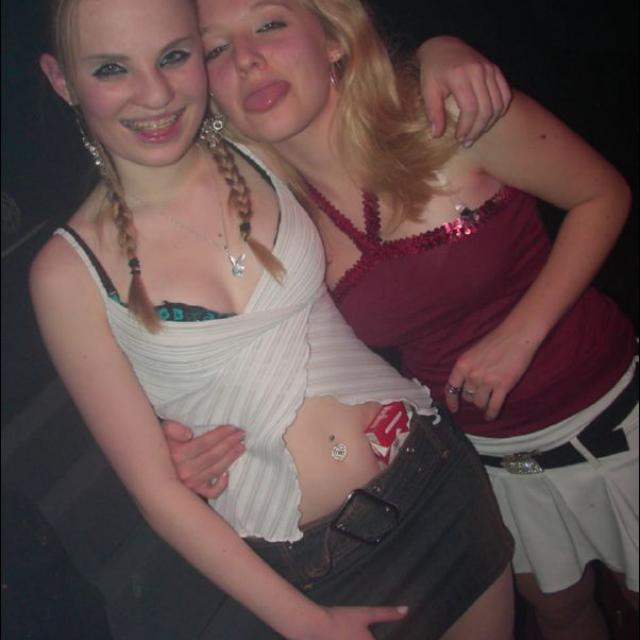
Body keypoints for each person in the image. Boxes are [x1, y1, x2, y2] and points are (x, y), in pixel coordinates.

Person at [31, 0, 516, 638]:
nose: (155, 94)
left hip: (436, 472)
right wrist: (305, 623)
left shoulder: (260, 148)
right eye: (111, 69)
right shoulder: (67, 273)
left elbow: (356, 86)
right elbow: (157, 494)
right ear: (62, 80)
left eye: (174, 56)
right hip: (320, 566)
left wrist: (440, 48)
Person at [163, 1, 639, 639]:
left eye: (269, 24)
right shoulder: (279, 228)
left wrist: (520, 336)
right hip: (485, 462)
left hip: (614, 415)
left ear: (333, 40)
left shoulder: (447, 113)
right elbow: (274, 365)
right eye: (216, 49)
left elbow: (602, 194)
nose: (246, 59)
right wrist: (203, 444)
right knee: (560, 611)